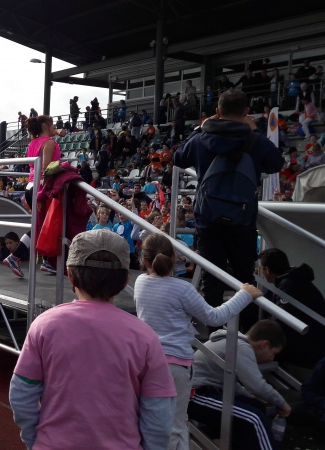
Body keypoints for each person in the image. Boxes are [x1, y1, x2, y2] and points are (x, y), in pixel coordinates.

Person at [10, 229, 175, 449]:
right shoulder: (145, 336)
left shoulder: (44, 325)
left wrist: (34, 440)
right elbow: (159, 410)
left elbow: (22, 393)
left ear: (70, 275)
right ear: (125, 280)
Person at [134, 233, 262, 449]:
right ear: (174, 258)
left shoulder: (140, 282)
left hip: (147, 362)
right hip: (176, 366)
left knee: (149, 419)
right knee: (176, 424)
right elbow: (214, 317)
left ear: (144, 261)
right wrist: (244, 295)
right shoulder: (183, 289)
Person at [174, 89, 284, 308]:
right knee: (245, 281)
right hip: (242, 221)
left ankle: (214, 326)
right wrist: (255, 130)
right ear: (245, 112)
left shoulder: (201, 139)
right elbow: (276, 163)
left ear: (217, 111)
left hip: (208, 220)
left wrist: (201, 127)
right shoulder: (255, 141)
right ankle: (246, 326)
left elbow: (178, 158)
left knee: (211, 280)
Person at [189, 320, 290, 450]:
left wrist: (249, 396)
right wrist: (282, 403)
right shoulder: (240, 346)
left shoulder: (234, 342)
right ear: (264, 345)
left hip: (208, 392)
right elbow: (257, 386)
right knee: (253, 419)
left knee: (257, 406)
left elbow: (231, 382)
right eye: (273, 353)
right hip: (194, 395)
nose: (272, 358)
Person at [3, 115, 65, 277]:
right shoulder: (49, 143)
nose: (55, 127)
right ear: (45, 126)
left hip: (30, 186)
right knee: (45, 225)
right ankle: (17, 257)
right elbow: (47, 169)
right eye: (53, 125)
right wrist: (63, 168)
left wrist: (56, 131)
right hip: (41, 188)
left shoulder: (33, 143)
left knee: (41, 224)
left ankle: (45, 260)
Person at [257, 248, 325, 371]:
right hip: (316, 340)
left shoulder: (288, 286)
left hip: (307, 347)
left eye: (261, 268)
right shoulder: (295, 279)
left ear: (267, 269)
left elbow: (280, 320)